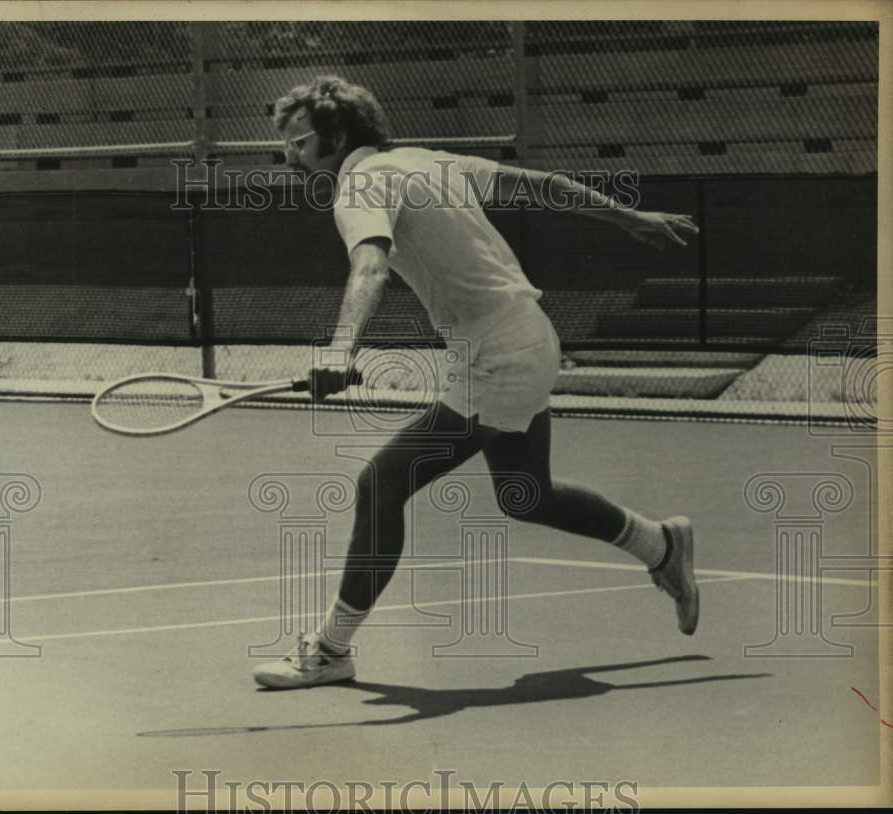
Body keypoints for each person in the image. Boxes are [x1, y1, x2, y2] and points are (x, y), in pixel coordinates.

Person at [254, 76, 701, 690]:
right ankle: (661, 545)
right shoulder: (424, 161)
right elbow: (539, 186)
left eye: (298, 143)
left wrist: (340, 347)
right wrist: (627, 217)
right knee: (526, 495)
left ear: (334, 136)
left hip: (501, 352)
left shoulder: (359, 186)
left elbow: (370, 264)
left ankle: (332, 649)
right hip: (522, 336)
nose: (289, 158)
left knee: (382, 482)